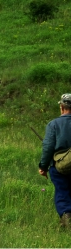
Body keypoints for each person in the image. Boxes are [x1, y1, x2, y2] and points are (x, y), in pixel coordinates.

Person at [39, 93, 71, 228]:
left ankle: (67, 220)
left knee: (62, 192)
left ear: (62, 107)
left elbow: (48, 148)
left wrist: (43, 167)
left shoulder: (54, 124)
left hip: (60, 167)